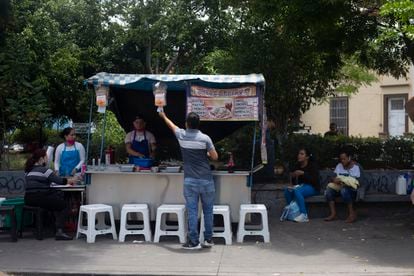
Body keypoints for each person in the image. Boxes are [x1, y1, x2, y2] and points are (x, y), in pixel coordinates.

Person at [159, 111, 218, 250]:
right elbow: (215, 157)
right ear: (198, 125)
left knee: (192, 211)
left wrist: (163, 116)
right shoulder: (205, 138)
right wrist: (208, 153)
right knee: (208, 211)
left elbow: (171, 125)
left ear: (186, 124)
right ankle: (208, 239)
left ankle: (193, 241)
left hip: (190, 181)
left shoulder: (182, 135)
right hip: (206, 180)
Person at [25, 149, 78, 240]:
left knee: (55, 202)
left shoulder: (28, 171)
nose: (47, 159)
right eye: (46, 157)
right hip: (40, 197)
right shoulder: (45, 170)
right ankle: (60, 232)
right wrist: (73, 180)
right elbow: (60, 181)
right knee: (64, 205)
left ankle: (52, 227)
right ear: (41, 159)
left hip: (28, 199)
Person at [284, 148, 320, 223]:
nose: (299, 156)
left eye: (302, 154)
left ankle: (304, 215)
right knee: (288, 190)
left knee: (297, 191)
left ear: (307, 157)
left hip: (313, 187)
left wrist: (303, 173)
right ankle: (292, 212)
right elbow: (294, 182)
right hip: (301, 186)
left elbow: (314, 180)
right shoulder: (297, 165)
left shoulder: (312, 165)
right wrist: (293, 177)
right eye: (299, 154)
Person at [324, 150, 361, 223]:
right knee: (329, 190)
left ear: (349, 158)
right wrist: (334, 179)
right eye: (341, 159)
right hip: (339, 187)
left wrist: (346, 182)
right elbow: (333, 176)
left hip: (351, 190)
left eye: (344, 159)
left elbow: (359, 182)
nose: (342, 161)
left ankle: (351, 214)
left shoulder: (356, 167)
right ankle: (333, 213)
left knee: (344, 190)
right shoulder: (339, 166)